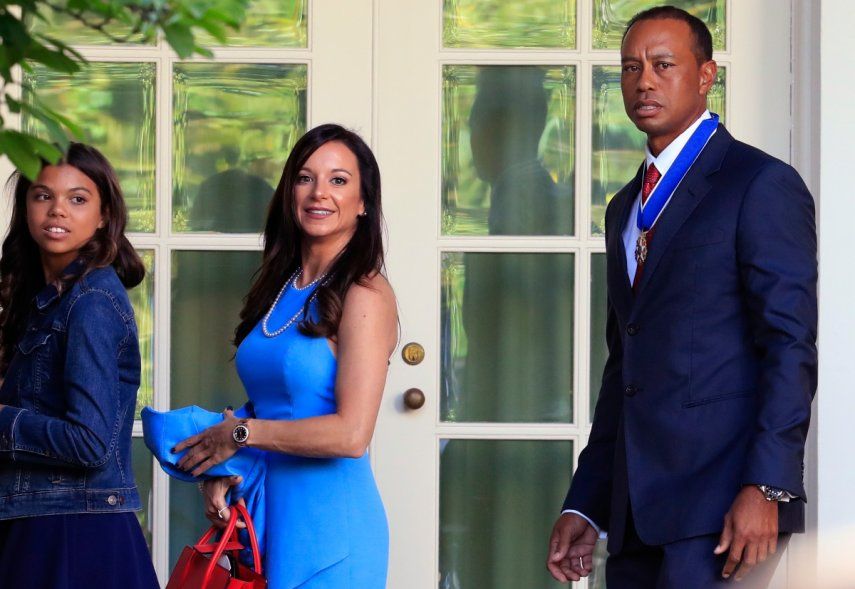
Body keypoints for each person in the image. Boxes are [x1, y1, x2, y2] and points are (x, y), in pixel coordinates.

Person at [547, 6, 816, 589]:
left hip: (725, 508)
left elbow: (789, 346)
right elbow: (626, 366)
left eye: (663, 65)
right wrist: (587, 503)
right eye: (631, 67)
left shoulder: (759, 184)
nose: (643, 81)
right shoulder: (624, 207)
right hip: (636, 511)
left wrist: (768, 486)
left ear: (705, 75)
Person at [173, 123, 397, 588]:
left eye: (339, 180)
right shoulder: (280, 286)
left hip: (332, 532)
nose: (319, 193)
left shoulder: (365, 292)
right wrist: (225, 466)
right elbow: (274, 406)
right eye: (305, 178)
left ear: (364, 202)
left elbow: (352, 435)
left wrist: (239, 434)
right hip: (268, 519)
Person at [0, 143, 159, 588]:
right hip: (44, 524)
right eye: (43, 195)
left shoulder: (91, 302)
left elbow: (90, 443)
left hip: (73, 535)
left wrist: (4, 421)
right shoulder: (49, 300)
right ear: (26, 207)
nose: (57, 210)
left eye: (77, 198)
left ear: (104, 215)